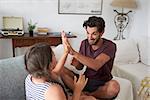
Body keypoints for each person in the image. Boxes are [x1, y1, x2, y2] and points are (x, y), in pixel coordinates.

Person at [61, 16, 120, 100]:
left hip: (101, 82)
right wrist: (76, 63)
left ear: (101, 32)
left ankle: (88, 94)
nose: (90, 37)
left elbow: (96, 65)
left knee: (114, 87)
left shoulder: (110, 46)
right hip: (86, 79)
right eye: (88, 33)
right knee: (61, 69)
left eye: (94, 34)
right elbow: (80, 67)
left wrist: (74, 53)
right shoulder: (84, 43)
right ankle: (81, 92)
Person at [24, 33, 96, 100]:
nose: (55, 57)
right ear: (49, 65)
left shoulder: (30, 77)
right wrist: (77, 90)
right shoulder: (53, 90)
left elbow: (55, 72)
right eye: (54, 55)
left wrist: (66, 52)